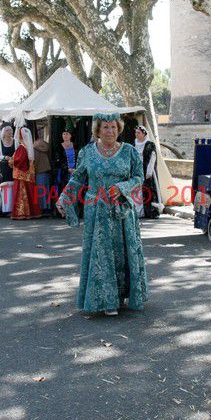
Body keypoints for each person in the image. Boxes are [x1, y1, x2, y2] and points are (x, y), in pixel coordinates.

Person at [56, 113, 148, 316]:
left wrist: (122, 187)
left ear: (119, 129)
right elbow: (78, 178)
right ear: (98, 129)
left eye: (114, 127)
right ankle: (107, 301)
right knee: (102, 253)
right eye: (106, 127)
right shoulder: (87, 152)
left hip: (122, 211)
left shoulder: (129, 152)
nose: (110, 131)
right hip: (96, 210)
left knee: (123, 251)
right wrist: (64, 197)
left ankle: (123, 294)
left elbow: (138, 177)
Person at [9, 127, 42, 220]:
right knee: (30, 192)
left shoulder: (22, 147)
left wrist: (11, 161)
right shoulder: (29, 147)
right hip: (29, 174)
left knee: (20, 194)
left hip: (21, 175)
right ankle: (32, 212)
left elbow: (19, 161)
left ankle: (21, 213)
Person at [134, 125, 163, 219]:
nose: (136, 134)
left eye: (138, 133)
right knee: (137, 190)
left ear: (144, 134)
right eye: (136, 132)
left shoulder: (149, 144)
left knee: (148, 191)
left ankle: (151, 211)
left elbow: (152, 158)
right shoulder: (135, 143)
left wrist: (149, 172)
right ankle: (139, 211)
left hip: (146, 170)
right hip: (137, 170)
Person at [52, 127, 79, 217]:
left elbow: (80, 159)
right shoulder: (59, 147)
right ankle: (63, 212)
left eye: (67, 134)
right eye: (64, 134)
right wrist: (66, 168)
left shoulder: (76, 146)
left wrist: (75, 169)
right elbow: (57, 161)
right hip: (63, 173)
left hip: (75, 172)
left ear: (71, 135)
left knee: (74, 192)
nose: (65, 136)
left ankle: (74, 212)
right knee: (63, 191)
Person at [0, 125, 16, 216]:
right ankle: (4, 209)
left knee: (12, 188)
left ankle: (12, 208)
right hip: (4, 168)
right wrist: (4, 157)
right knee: (4, 188)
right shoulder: (0, 142)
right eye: (7, 131)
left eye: (10, 130)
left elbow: (17, 152)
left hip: (13, 168)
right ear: (3, 133)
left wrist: (13, 158)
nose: (9, 132)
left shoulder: (15, 141)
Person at [33, 128, 52, 215]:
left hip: (39, 172)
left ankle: (42, 208)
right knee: (47, 190)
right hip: (47, 171)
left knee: (40, 191)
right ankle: (48, 207)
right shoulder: (47, 147)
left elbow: (35, 162)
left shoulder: (34, 150)